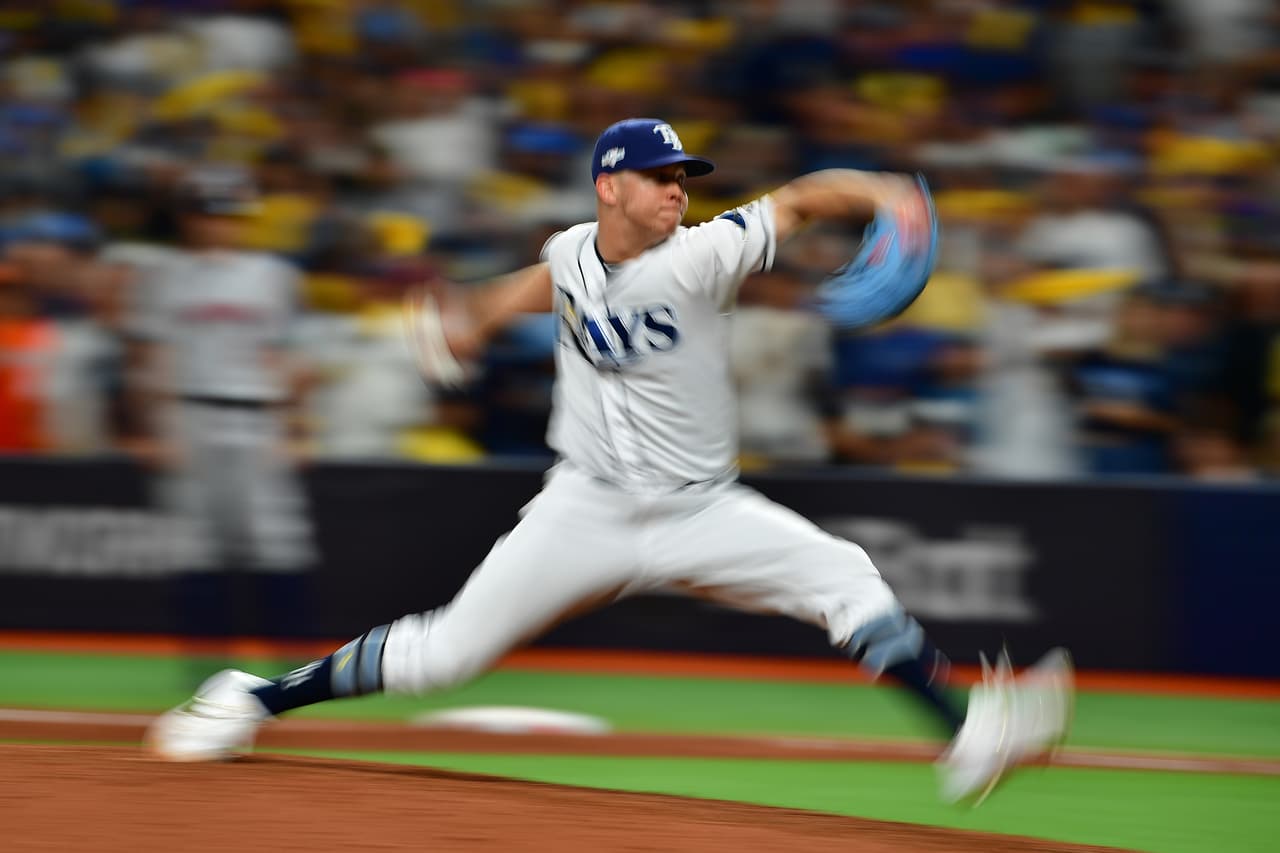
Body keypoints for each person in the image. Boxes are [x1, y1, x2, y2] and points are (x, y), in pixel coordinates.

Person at [147, 119, 1072, 804]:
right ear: (609, 187)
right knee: (445, 655)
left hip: (700, 510)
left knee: (844, 575)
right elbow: (547, 276)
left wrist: (885, 192)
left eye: (683, 177)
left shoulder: (704, 254)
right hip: (582, 508)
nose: (678, 189)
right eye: (661, 177)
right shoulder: (571, 251)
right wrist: (474, 309)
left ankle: (969, 732)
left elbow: (800, 199)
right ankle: (252, 699)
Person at [132, 166, 317, 672]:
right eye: (207, 213)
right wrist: (156, 427)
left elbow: (287, 356)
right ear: (187, 219)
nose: (218, 223)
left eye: (229, 214)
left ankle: (294, 670)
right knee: (196, 543)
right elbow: (153, 357)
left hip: (257, 414)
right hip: (188, 411)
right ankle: (208, 671)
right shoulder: (162, 276)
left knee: (276, 540)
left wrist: (295, 426)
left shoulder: (274, 275)